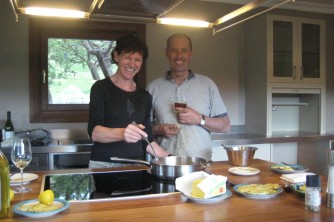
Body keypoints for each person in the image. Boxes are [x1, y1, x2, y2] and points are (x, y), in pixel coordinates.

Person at [87, 34, 169, 168]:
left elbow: (147, 139)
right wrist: (123, 133)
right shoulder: (100, 88)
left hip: (136, 164)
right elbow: (94, 133)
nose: (132, 64)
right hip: (104, 164)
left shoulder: (144, 96)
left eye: (138, 59)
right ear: (116, 56)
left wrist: (170, 159)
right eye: (127, 57)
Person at [147, 33, 231, 161]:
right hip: (165, 164)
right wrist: (159, 129)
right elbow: (143, 130)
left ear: (190, 54)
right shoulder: (153, 88)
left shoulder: (207, 84)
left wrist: (200, 119)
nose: (179, 56)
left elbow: (225, 126)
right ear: (167, 53)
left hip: (201, 164)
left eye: (184, 51)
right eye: (174, 51)